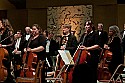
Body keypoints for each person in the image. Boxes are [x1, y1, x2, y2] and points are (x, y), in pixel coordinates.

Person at [0, 18, 15, 83]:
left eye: (0, 23)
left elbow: (12, 44)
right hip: (0, 53)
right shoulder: (0, 32)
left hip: (7, 54)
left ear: (4, 23)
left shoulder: (9, 32)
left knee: (7, 71)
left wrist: (3, 46)